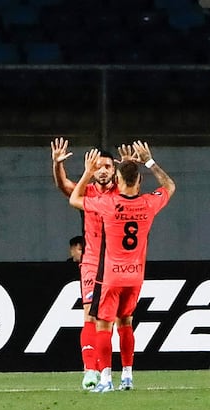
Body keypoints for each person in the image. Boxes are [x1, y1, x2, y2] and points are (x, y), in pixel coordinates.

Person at [69, 141, 175, 392]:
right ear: (138, 182)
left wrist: (87, 172)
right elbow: (169, 186)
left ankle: (105, 379)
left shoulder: (108, 204)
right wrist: (147, 162)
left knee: (104, 326)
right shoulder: (149, 203)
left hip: (111, 276)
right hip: (135, 276)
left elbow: (75, 198)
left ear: (117, 179)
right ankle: (127, 376)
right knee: (126, 323)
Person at [52, 137, 137, 391]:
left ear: (114, 170)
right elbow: (63, 185)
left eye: (108, 167)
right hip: (91, 262)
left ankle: (126, 374)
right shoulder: (86, 191)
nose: (102, 170)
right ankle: (91, 370)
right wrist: (57, 165)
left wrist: (131, 167)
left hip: (117, 263)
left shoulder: (121, 192)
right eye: (98, 166)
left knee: (124, 318)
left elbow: (134, 188)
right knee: (90, 314)